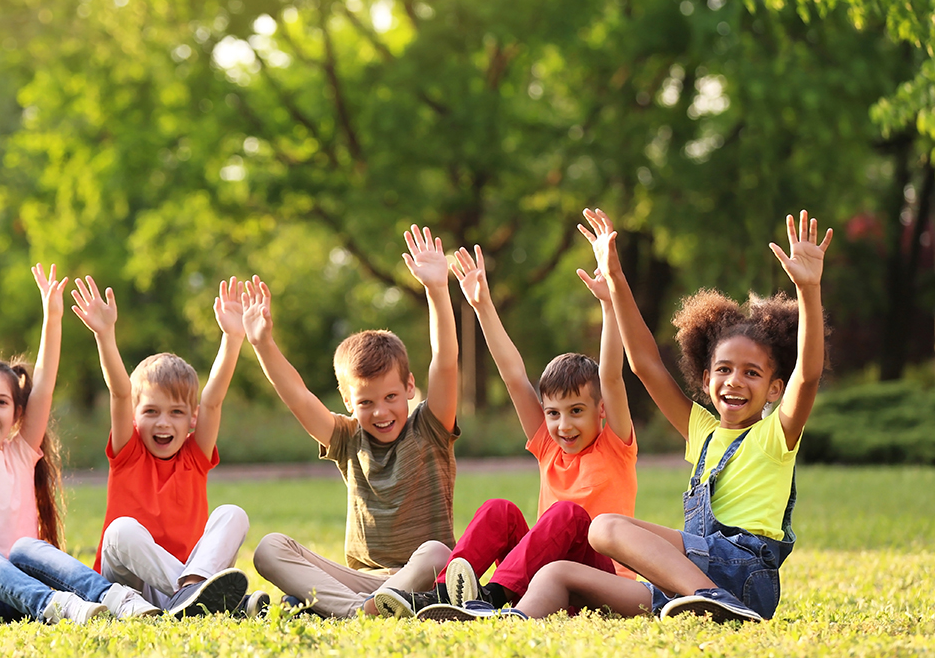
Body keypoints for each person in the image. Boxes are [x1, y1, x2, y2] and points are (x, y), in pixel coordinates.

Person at [511, 209, 831, 624]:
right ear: (705, 376)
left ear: (774, 388)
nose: (734, 381)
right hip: (685, 581)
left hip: (743, 576)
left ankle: (713, 598)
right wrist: (615, 277)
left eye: (751, 373)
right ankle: (509, 620)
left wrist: (808, 289)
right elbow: (644, 364)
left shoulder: (776, 434)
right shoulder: (702, 430)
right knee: (559, 573)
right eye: (723, 369)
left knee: (606, 526)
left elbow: (807, 376)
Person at [0, 259, 158, 624]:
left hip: (19, 602)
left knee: (28, 548)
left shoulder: (19, 454)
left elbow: (44, 383)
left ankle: (115, 598)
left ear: (17, 415)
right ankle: (57, 606)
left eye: (1, 402)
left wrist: (52, 316)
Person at [410, 240, 637, 621]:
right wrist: (482, 305)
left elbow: (611, 377)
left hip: (602, 579)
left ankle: (495, 595)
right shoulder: (550, 446)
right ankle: (441, 594)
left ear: (600, 411)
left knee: (569, 515)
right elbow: (514, 377)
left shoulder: (614, 445)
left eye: (576, 412)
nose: (563, 425)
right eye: (553, 413)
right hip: (544, 572)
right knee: (499, 511)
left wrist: (609, 305)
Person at [246, 225, 459, 619]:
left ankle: (348, 607)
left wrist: (436, 290)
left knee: (438, 553)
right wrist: (263, 344)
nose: (381, 412)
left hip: (422, 579)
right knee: (269, 548)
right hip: (359, 581)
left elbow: (445, 361)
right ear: (347, 401)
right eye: (366, 402)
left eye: (391, 397)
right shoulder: (347, 438)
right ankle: (360, 610)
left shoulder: (429, 427)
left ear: (410, 387)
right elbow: (298, 397)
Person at [71, 275, 254, 618]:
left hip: (184, 575)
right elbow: (120, 391)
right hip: (127, 585)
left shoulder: (194, 458)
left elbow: (213, 402)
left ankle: (192, 591)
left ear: (192, 420)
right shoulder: (129, 452)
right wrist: (104, 335)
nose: (164, 423)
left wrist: (232, 338)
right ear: (135, 417)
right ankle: (203, 597)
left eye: (176, 413)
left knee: (233, 514)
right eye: (151, 412)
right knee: (121, 530)